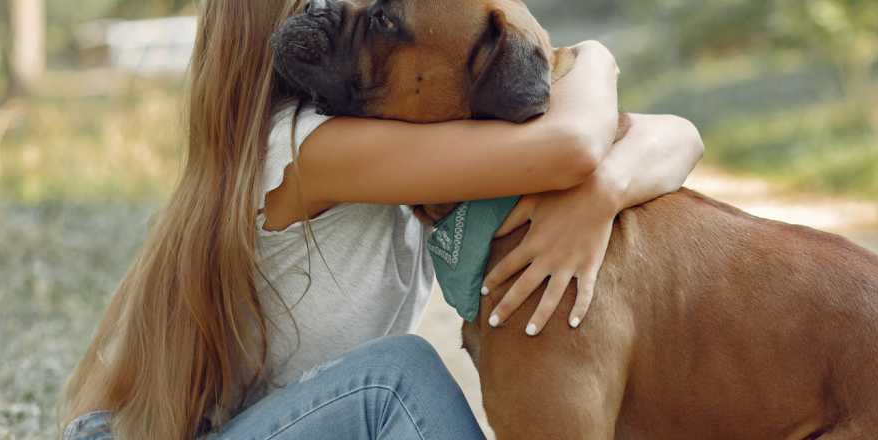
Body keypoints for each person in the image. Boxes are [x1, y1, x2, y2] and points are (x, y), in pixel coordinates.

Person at [60, 1, 704, 439]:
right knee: (397, 380)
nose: (348, 10)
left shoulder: (382, 134)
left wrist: (605, 190)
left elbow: (677, 136)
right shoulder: (309, 149)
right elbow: (574, 145)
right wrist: (594, 58)